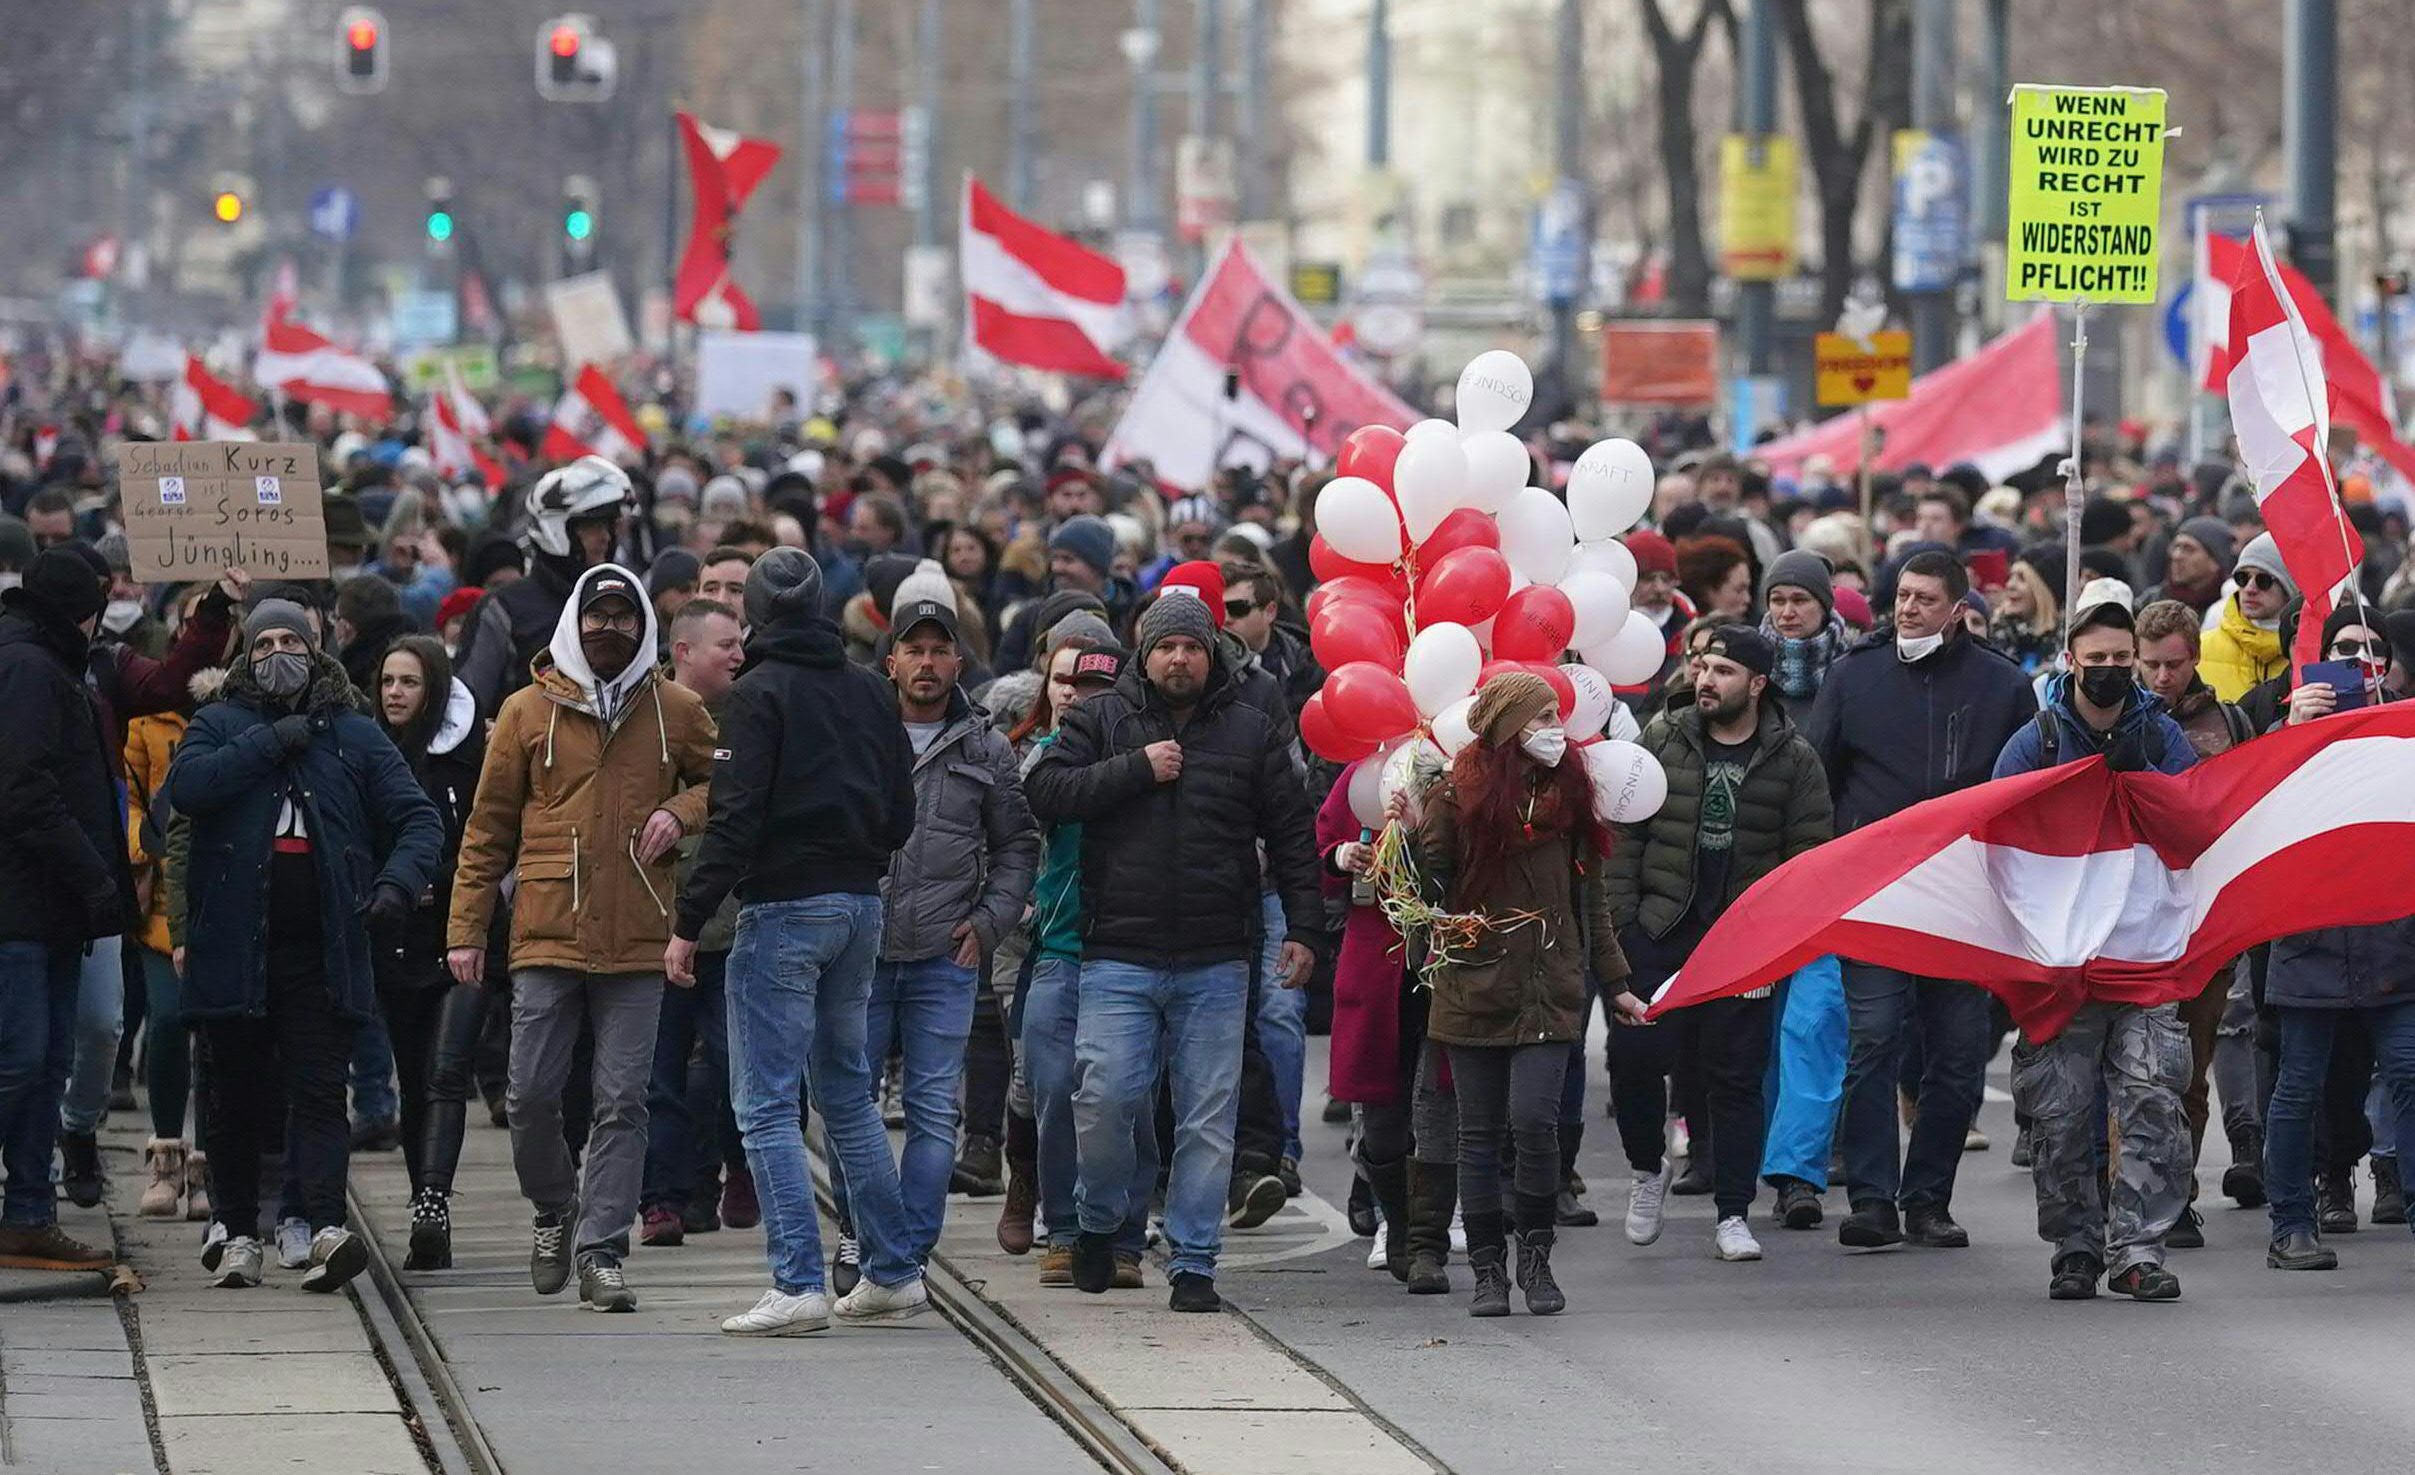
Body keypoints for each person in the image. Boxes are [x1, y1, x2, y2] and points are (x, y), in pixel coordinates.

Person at [1024, 586, 1322, 1313]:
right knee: (1102, 1098)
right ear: (1144, 653)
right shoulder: (1101, 717)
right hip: (1117, 953)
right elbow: (1046, 791)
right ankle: (1098, 1217)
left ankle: (1193, 1260)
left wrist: (1307, 931)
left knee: (1205, 1115)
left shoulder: (1250, 728)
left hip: (1216, 956)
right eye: (1165, 646)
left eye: (1190, 645)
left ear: (1209, 650)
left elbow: (1291, 835)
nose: (1179, 658)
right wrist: (1134, 769)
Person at [667, 548, 926, 1338]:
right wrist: (859, 853)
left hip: (782, 909)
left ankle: (797, 1281)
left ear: (758, 618)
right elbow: (901, 811)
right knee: (846, 1093)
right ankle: (891, 1269)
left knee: (766, 1104)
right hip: (858, 904)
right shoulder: (866, 688)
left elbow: (735, 817)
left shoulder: (757, 695)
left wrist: (687, 920)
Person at [448, 565, 718, 1314]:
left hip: (636, 933)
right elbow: (486, 828)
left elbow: (724, 783)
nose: (609, 631)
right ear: (574, 621)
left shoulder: (678, 709)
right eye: (595, 617)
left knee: (622, 1099)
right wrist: (466, 928)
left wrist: (683, 811)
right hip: (545, 928)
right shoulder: (525, 712)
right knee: (530, 1093)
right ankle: (552, 1205)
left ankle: (602, 1250)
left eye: (623, 619)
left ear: (643, 627)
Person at [167, 599, 442, 1291]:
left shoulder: (353, 733)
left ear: (317, 649)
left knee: (321, 1093)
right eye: (265, 643)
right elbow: (189, 789)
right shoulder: (217, 723)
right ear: (245, 654)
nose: (279, 652)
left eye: (293, 639)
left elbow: (416, 817)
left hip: (323, 947)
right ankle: (234, 1230)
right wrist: (270, 740)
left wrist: (395, 885)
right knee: (234, 1094)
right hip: (233, 946)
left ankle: (324, 1225)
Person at [1803, 549, 2034, 1251]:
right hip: (1875, 893)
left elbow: (2024, 788)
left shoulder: (1999, 685)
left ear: (1957, 610)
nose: (1907, 608)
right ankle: (1872, 1197)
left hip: (1962, 896)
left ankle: (1928, 1197)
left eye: (1925, 599)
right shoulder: (1853, 675)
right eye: (1902, 595)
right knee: (1873, 1039)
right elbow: (1819, 775)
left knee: (1958, 1052)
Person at [1404, 673, 1636, 1316]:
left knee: (1536, 1125)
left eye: (1555, 718)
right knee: (1477, 1136)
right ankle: (1487, 1272)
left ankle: (1536, 1261)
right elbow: (1430, 892)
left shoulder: (1572, 797)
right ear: (1508, 731)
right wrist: (1408, 837)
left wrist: (1615, 983)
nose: (1553, 732)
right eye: (1539, 721)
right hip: (1473, 988)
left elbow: (1592, 901)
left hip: (1548, 988)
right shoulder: (1456, 796)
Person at [1992, 582, 2194, 1299]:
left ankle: (2137, 1248)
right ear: (2070, 659)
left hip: (2141, 959)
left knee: (2149, 1103)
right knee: (2061, 1113)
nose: (2109, 667)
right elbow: (2000, 840)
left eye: (2121, 656)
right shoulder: (2034, 743)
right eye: (2096, 655)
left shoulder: (2160, 737)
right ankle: (2074, 1246)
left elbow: (2191, 827)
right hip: (2064, 964)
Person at [1607, 627, 1833, 1257]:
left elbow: (1807, 854)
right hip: (1658, 932)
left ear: (1758, 684)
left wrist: (1771, 936)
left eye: (1725, 671)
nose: (1707, 680)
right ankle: (1647, 1171)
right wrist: (1625, 924)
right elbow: (1624, 838)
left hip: (1741, 945)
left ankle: (1733, 1213)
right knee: (1638, 1062)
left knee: (1735, 1076)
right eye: (1704, 667)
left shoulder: (1794, 759)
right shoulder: (1662, 738)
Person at [835, 597, 1038, 1266]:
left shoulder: (986, 747)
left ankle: (906, 1255)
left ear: (959, 661)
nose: (925, 663)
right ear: (889, 660)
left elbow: (1017, 847)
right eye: (913, 649)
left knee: (931, 1110)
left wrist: (987, 922)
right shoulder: (856, 733)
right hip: (857, 955)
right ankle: (857, 1234)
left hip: (943, 958)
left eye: (938, 649)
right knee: (848, 1103)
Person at [2263, 616, 2415, 1273]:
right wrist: (2293, 730)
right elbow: (2256, 810)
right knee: (2299, 1087)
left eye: (2373, 651)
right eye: (2344, 651)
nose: (2360, 661)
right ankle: (2290, 1224)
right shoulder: (2287, 734)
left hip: (2393, 944)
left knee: (2409, 1075)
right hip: (2311, 941)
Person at [0, 552, 124, 1270]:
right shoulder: (29, 667)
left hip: (47, 909)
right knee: (17, 1061)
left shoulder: (43, 659)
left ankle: (28, 1213)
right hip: (19, 906)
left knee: (47, 1063)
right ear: (82, 610)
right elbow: (23, 791)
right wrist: (91, 871)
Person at [2132, 598, 2264, 1225]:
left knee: (2189, 1068)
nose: (2163, 677)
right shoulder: (2112, 718)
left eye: (2175, 664)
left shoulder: (2229, 724)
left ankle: (2177, 1196)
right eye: (2152, 664)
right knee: (2134, 1071)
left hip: (2204, 924)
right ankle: (2132, 1193)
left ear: (2195, 658)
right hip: (2131, 922)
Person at [364, 635, 490, 1270]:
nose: (395, 693)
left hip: (459, 937)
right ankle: (423, 1198)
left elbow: (487, 838)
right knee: (413, 1078)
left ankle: (434, 1203)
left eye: (409, 682)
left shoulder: (472, 758)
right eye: (387, 680)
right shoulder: (365, 754)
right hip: (391, 943)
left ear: (434, 689)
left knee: (445, 1073)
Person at [639, 599, 751, 1247]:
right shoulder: (643, 714)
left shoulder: (751, 711)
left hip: (733, 921)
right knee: (660, 1075)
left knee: (737, 1065)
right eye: (725, 645)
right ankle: (662, 1199)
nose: (738, 655)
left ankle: (736, 1168)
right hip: (658, 921)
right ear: (683, 651)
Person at [454, 456, 630, 719]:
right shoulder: (503, 610)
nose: (604, 536)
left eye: (608, 524)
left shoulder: (627, 600)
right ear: (557, 529)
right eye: (592, 525)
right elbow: (466, 706)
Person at [2197, 531, 2295, 702]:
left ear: (2289, 588)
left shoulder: (2310, 652)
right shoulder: (2201, 648)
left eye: (2263, 580)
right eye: (2242, 578)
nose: (2250, 589)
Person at [2141, 516, 2236, 617]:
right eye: (2176, 547)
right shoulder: (2150, 604)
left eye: (2189, 549)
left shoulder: (2230, 608)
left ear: (2215, 562)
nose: (2176, 556)